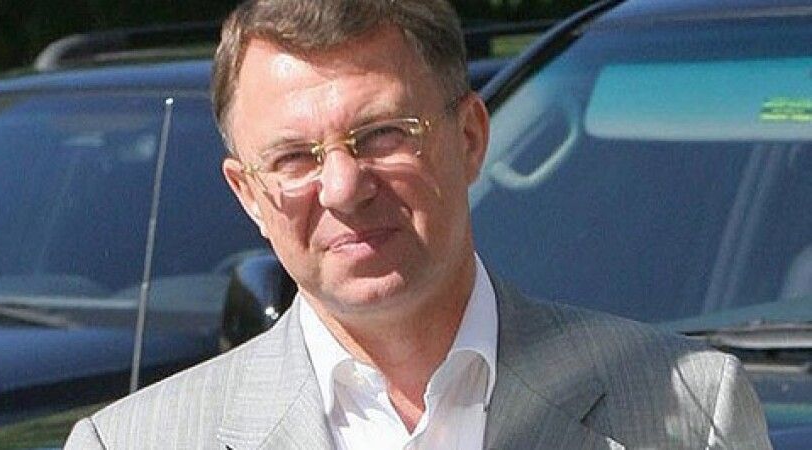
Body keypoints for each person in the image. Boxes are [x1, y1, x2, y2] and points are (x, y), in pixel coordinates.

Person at [65, 0, 772, 448]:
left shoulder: (690, 408)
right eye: (294, 158)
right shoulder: (131, 442)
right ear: (248, 194)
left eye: (382, 135)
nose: (344, 187)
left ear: (469, 138)